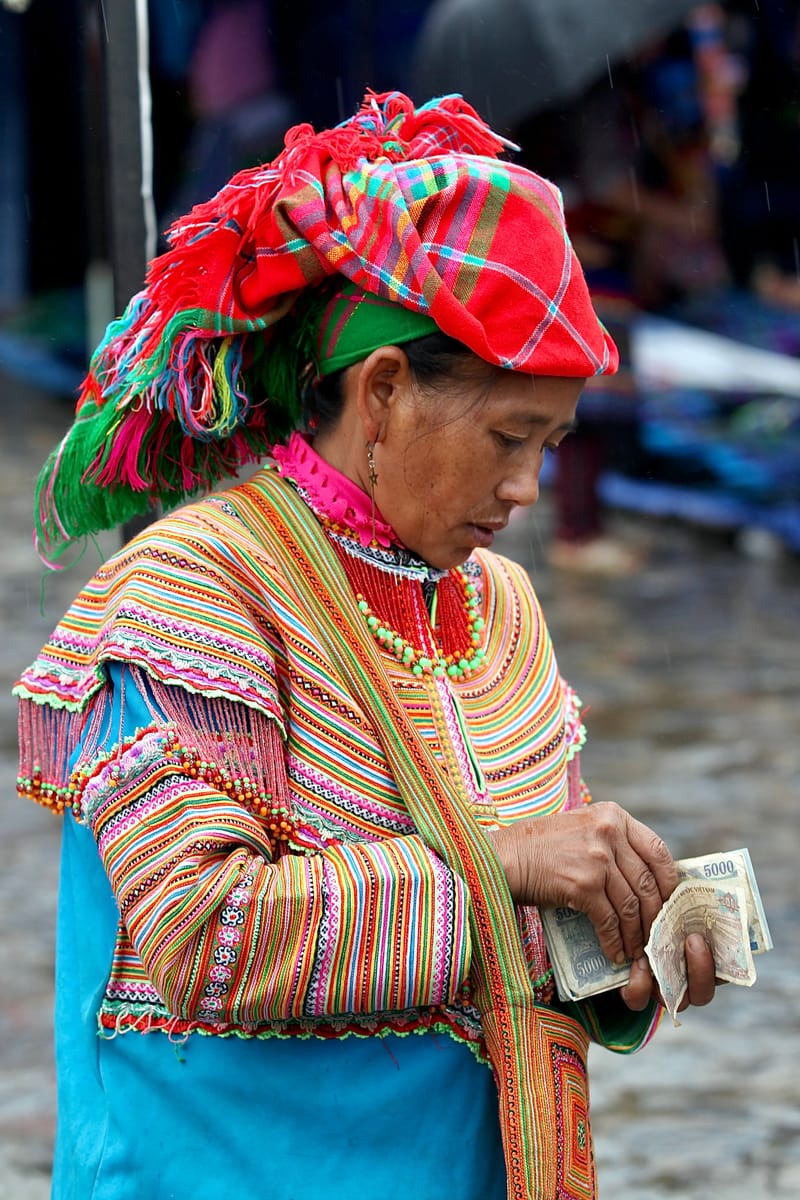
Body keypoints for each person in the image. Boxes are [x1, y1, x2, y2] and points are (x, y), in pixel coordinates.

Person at [15, 93, 717, 1200]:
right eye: (505, 437)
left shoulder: (501, 610)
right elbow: (202, 934)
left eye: (551, 443)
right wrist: (511, 865)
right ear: (384, 391)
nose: (525, 489)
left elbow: (509, 943)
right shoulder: (191, 593)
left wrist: (615, 961)